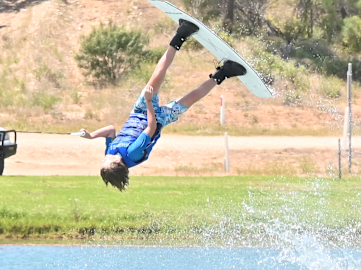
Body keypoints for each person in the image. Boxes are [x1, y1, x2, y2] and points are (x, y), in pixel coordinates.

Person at [79, 20, 246, 190]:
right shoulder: (132, 154)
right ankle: (225, 72)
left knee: (158, 75)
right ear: (117, 162)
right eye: (104, 162)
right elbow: (150, 128)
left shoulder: (111, 152)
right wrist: (149, 100)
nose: (103, 159)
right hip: (156, 118)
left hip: (139, 112)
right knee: (192, 97)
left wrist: (91, 136)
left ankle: (181, 35)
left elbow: (110, 130)